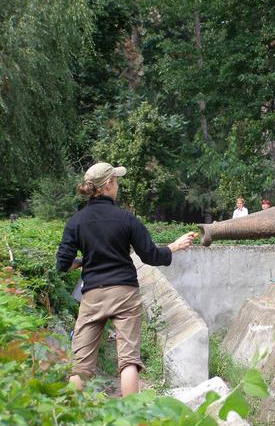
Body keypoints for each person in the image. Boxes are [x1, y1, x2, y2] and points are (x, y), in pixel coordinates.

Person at [56, 162, 196, 397]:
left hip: (93, 295)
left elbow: (63, 264)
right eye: (116, 180)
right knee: (128, 361)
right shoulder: (126, 219)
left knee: (80, 366)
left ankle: (70, 422)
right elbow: (150, 255)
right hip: (124, 292)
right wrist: (174, 246)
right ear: (108, 185)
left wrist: (85, 261)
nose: (118, 185)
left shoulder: (75, 222)